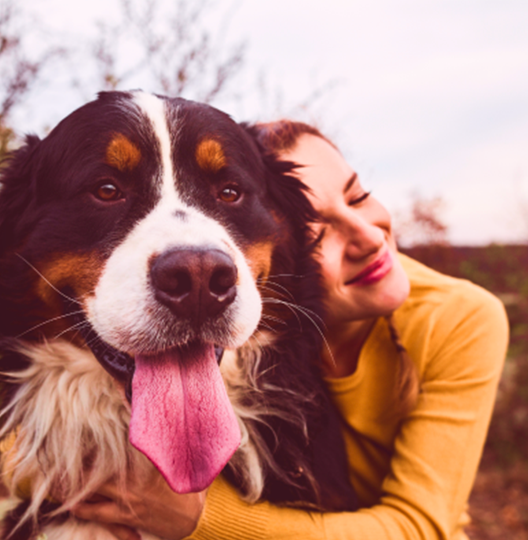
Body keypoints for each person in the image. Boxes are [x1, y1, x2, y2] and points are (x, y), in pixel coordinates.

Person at [71, 121, 509, 540]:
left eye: (358, 198)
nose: (369, 238)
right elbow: (36, 447)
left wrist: (201, 519)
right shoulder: (248, 343)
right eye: (320, 233)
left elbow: (420, 529)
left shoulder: (462, 316)